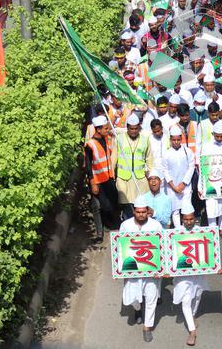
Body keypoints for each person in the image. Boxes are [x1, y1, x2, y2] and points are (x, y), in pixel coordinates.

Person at [120, 202, 162, 341]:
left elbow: (162, 245)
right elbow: (119, 246)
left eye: (143, 212)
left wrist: (162, 268)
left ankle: (147, 327)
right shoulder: (125, 225)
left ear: (147, 211)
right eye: (138, 212)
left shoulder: (155, 225)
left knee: (151, 298)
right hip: (132, 269)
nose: (141, 215)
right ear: (134, 212)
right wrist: (118, 269)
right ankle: (137, 309)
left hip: (151, 269)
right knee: (132, 298)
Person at [174, 204, 209, 346]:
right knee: (186, 300)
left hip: (198, 273)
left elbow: (209, 250)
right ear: (182, 219)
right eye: (186, 219)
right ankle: (192, 331)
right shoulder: (175, 233)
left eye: (191, 219)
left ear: (195, 218)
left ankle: (192, 315)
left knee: (197, 295)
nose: (188, 222)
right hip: (182, 276)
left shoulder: (202, 232)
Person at [85, 115, 119, 238]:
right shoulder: (90, 145)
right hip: (97, 180)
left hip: (108, 178)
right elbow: (88, 166)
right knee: (100, 206)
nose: (107, 130)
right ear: (98, 130)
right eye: (105, 128)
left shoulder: (105, 139)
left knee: (112, 201)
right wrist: (93, 183)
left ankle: (111, 223)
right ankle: (101, 230)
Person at [115, 113, 153, 219]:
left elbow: (149, 159)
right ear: (127, 128)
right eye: (131, 128)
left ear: (139, 128)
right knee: (126, 205)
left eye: (136, 128)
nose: (134, 131)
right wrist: (112, 175)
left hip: (140, 178)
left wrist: (151, 175)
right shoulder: (119, 138)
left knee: (140, 204)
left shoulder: (145, 139)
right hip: (123, 178)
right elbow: (114, 157)